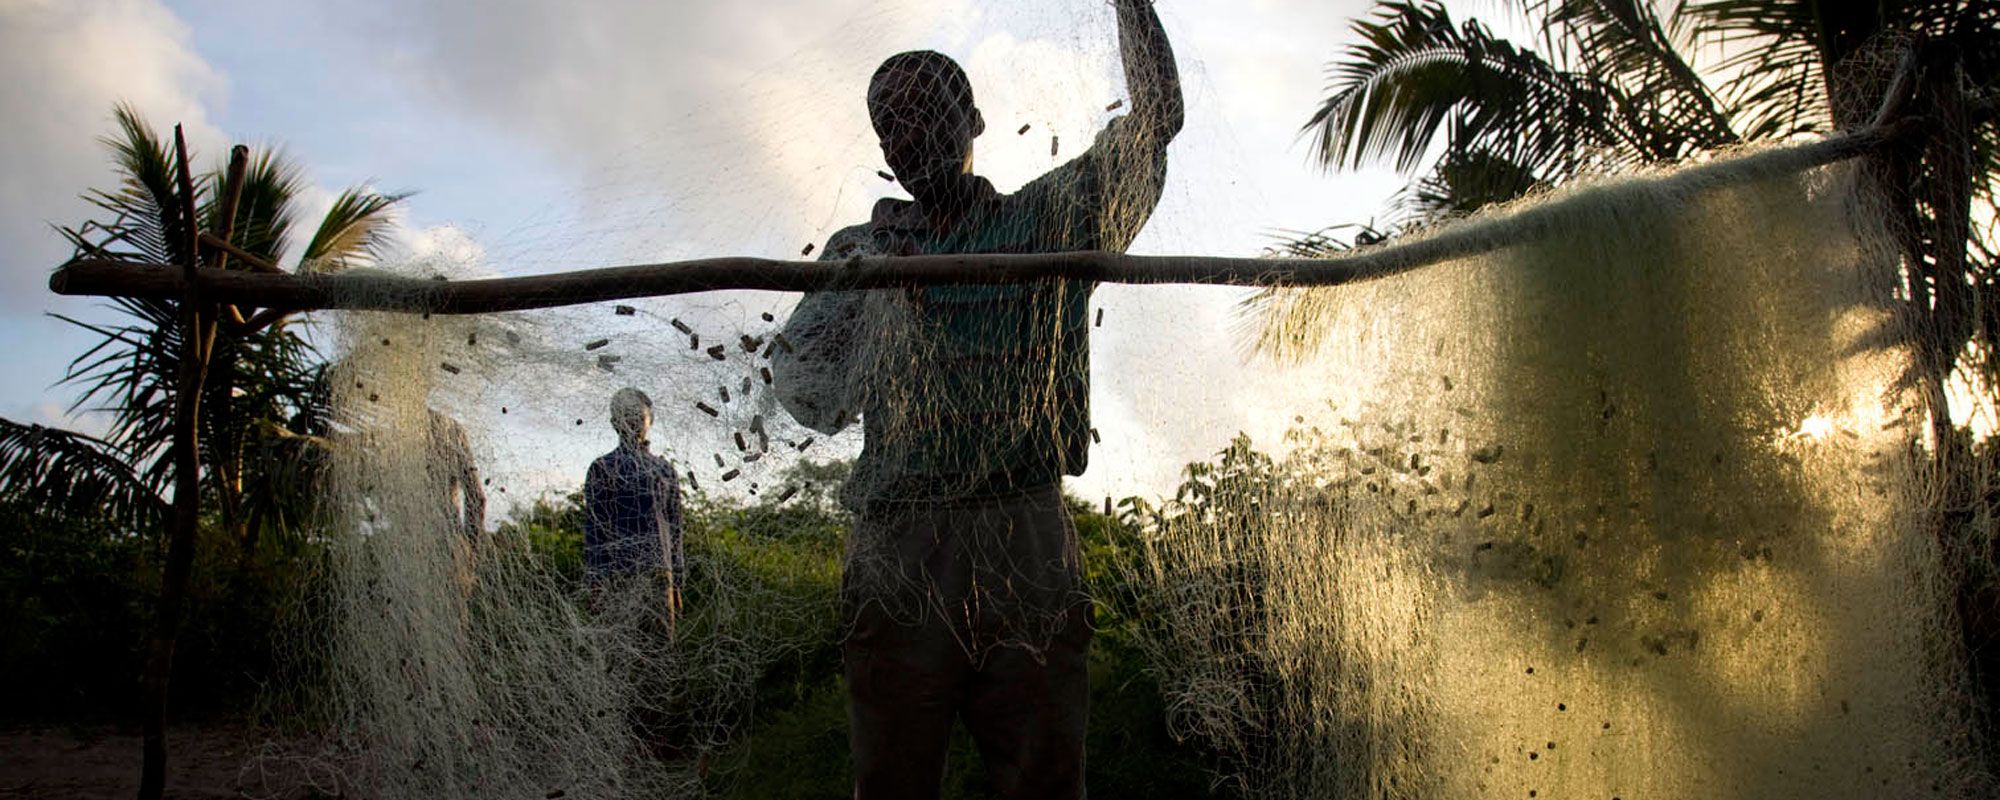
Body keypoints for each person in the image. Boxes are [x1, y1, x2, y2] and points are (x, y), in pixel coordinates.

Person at [772, 2, 1182, 796]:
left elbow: (1157, 117)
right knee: (891, 780)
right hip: (898, 542)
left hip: (1022, 531)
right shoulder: (862, 250)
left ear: (975, 120)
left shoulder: (1048, 220)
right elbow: (808, 395)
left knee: (1043, 780)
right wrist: (869, 295)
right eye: (889, 123)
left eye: (927, 110)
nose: (909, 134)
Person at [583, 387, 687, 618]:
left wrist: (676, 582)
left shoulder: (664, 470)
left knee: (659, 646)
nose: (633, 422)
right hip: (618, 576)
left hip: (660, 575)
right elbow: (595, 529)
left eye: (638, 416)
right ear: (614, 423)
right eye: (626, 416)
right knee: (620, 648)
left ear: (650, 420)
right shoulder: (602, 468)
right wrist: (596, 581)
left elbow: (675, 528)